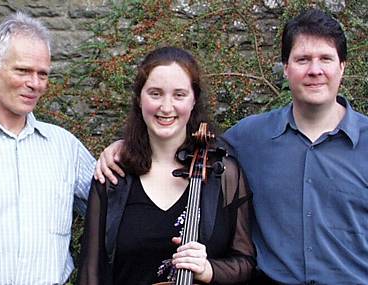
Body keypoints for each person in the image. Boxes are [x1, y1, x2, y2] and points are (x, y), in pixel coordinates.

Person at [94, 9, 368, 285]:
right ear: (286, 68)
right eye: (303, 59)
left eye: (326, 59)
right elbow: (181, 139)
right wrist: (123, 146)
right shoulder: (249, 137)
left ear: (342, 66)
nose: (315, 70)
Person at [77, 46, 255, 284]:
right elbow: (91, 272)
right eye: (155, 93)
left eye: (179, 95)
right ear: (139, 98)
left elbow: (245, 263)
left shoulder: (222, 173)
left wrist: (208, 270)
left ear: (194, 101)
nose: (166, 107)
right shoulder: (114, 175)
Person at [0, 12, 95, 284]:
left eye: (43, 74)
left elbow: (115, 211)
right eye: (23, 70)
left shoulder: (66, 148)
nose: (34, 84)